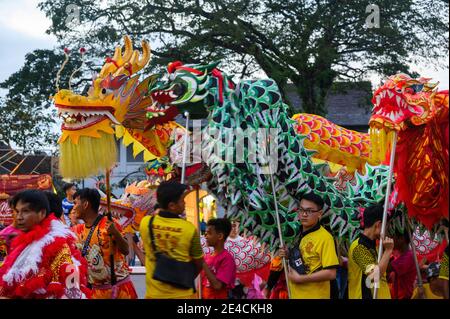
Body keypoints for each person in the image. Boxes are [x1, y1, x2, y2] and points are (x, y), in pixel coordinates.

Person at [0, 190, 90, 299]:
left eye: (25, 211)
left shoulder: (56, 244)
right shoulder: (24, 239)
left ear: (42, 213)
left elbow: (71, 290)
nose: (19, 217)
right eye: (17, 211)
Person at [139, 181, 204, 299]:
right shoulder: (189, 229)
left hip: (155, 294)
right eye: (182, 200)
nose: (184, 203)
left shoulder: (146, 223)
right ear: (172, 205)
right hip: (183, 295)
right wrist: (183, 278)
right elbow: (199, 263)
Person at [72, 188, 137, 299]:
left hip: (120, 290)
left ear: (86, 204)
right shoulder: (77, 230)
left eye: (75, 203)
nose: (73, 208)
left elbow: (126, 250)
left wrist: (115, 233)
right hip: (96, 292)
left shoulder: (108, 224)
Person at [279, 192, 339, 299]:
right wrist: (288, 255)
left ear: (320, 214)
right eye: (301, 210)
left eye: (309, 211)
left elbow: (331, 273)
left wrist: (301, 279)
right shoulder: (298, 233)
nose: (304, 214)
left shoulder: (325, 238)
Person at [348, 204, 393, 299]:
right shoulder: (359, 247)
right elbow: (373, 276)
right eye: (386, 226)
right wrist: (388, 251)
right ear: (378, 225)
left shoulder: (376, 246)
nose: (387, 230)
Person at [201, 218, 236, 299]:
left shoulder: (227, 259)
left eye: (209, 233)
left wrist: (202, 263)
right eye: (205, 233)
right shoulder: (207, 257)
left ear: (220, 236)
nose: (205, 236)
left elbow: (217, 286)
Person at [389, 230, 416, 299]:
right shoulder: (396, 253)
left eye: (392, 237)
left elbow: (386, 269)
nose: (390, 240)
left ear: (401, 239)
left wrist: (387, 249)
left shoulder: (408, 257)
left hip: (404, 297)